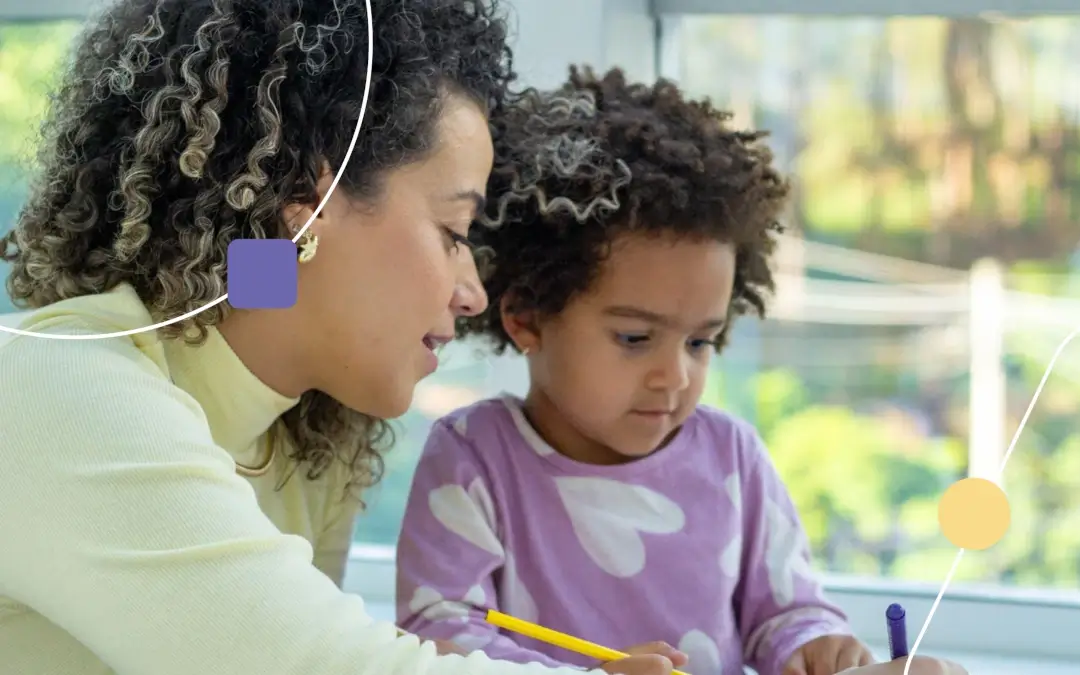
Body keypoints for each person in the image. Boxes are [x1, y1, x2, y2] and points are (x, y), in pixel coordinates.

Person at [0, 3, 677, 675]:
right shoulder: (58, 387)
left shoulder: (309, 446)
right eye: (454, 232)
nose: (472, 293)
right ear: (307, 201)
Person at [393, 67, 972, 675]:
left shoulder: (733, 459)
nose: (674, 376)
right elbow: (439, 632)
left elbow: (786, 612)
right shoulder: (472, 459)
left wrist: (817, 647)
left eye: (701, 341)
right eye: (635, 338)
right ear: (527, 317)